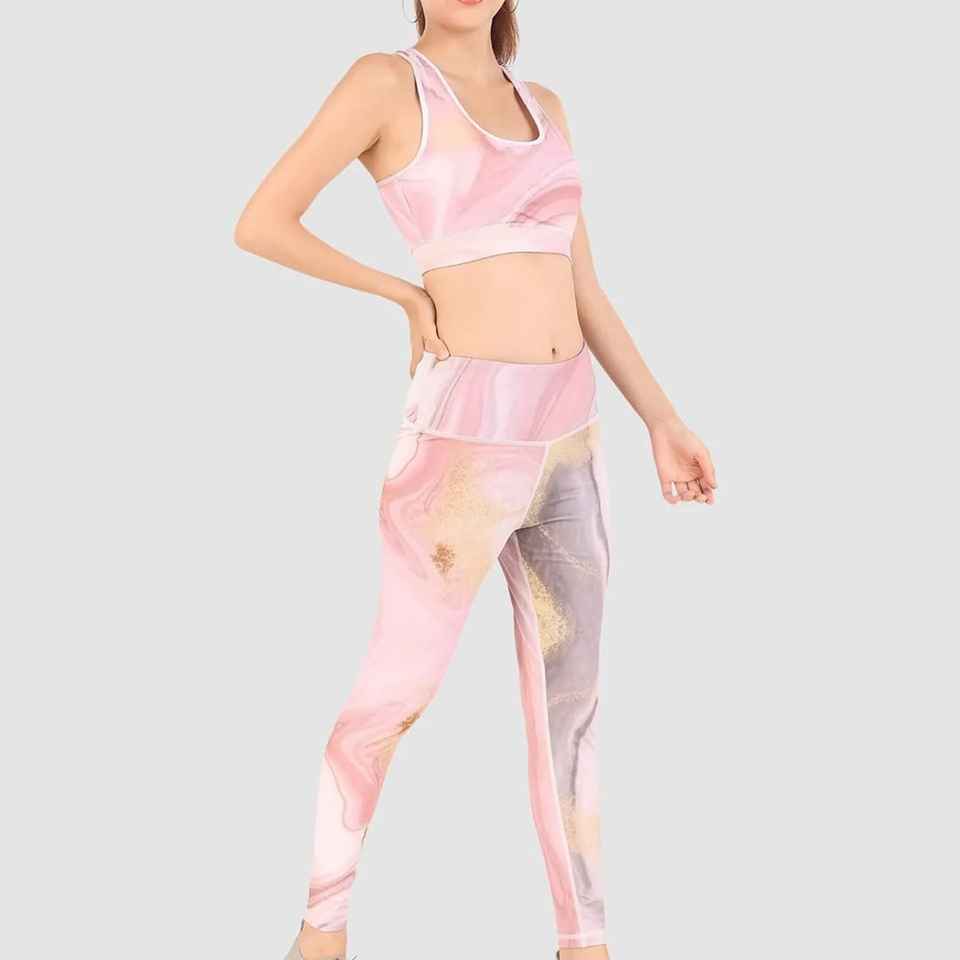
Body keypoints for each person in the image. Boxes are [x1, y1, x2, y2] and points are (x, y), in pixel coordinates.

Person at [235, 2, 717, 957]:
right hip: (461, 446)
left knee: (572, 706)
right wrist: (401, 293)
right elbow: (263, 222)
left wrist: (662, 418)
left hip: (569, 437)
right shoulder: (387, 82)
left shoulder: (547, 105)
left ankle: (584, 940)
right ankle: (320, 931)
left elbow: (583, 287)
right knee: (394, 696)